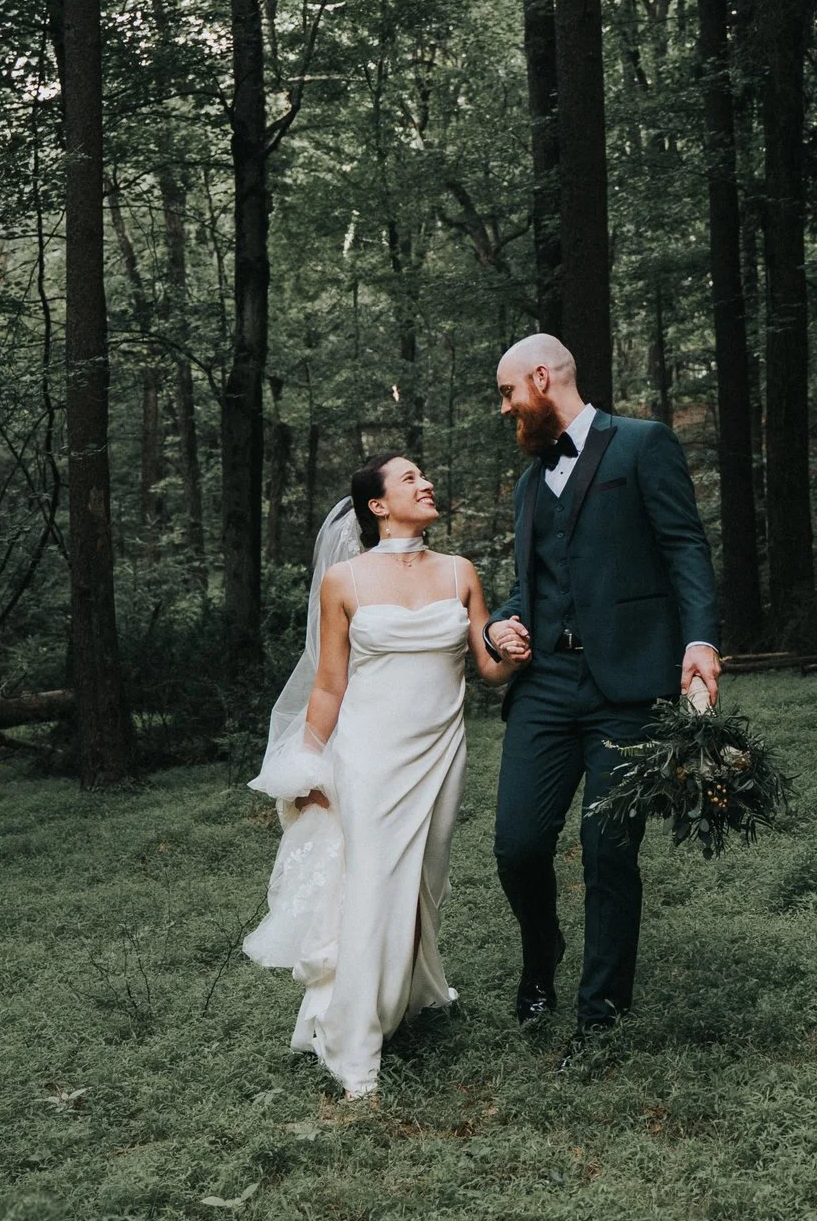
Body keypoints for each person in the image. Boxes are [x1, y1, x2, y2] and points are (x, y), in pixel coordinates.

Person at [243, 453, 523, 1100]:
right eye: (409, 478)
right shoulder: (344, 580)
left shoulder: (461, 572)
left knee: (423, 880)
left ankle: (408, 993)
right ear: (377, 505)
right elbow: (330, 682)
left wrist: (512, 652)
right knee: (372, 884)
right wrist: (304, 763)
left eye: (426, 474)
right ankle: (356, 1051)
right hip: (368, 755)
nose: (426, 482)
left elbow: (488, 666)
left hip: (441, 754)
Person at [484, 333, 721, 1071]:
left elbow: (685, 546)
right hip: (546, 688)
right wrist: (502, 622)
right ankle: (542, 944)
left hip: (630, 684)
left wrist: (700, 642)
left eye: (507, 392)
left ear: (542, 377)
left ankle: (600, 1021)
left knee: (607, 847)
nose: (504, 408)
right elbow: (533, 583)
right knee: (516, 844)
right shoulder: (528, 486)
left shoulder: (642, 445)